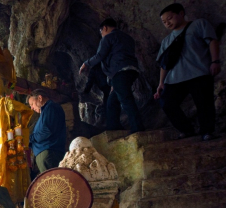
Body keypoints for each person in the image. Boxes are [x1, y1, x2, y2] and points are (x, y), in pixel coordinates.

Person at [154, 3, 221, 141]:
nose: (167, 23)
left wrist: (215, 61)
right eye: (164, 21)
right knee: (166, 102)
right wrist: (161, 83)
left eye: (170, 18)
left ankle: (207, 131)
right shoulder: (167, 40)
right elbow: (164, 64)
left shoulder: (198, 25)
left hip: (199, 72)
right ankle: (186, 129)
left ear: (181, 13)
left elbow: (212, 41)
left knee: (204, 103)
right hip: (174, 79)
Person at [80, 18, 145, 133]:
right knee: (112, 101)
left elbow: (100, 55)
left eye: (101, 32)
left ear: (104, 28)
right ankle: (114, 128)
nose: (102, 35)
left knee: (126, 100)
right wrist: (112, 81)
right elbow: (119, 55)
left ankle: (137, 128)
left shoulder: (108, 38)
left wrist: (86, 63)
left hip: (120, 72)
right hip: (131, 71)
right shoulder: (128, 38)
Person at [28, 89, 67, 173]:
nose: (31, 108)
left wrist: (30, 138)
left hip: (49, 152)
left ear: (40, 98)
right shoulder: (45, 112)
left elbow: (46, 131)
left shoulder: (51, 107)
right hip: (46, 153)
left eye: (32, 104)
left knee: (52, 183)